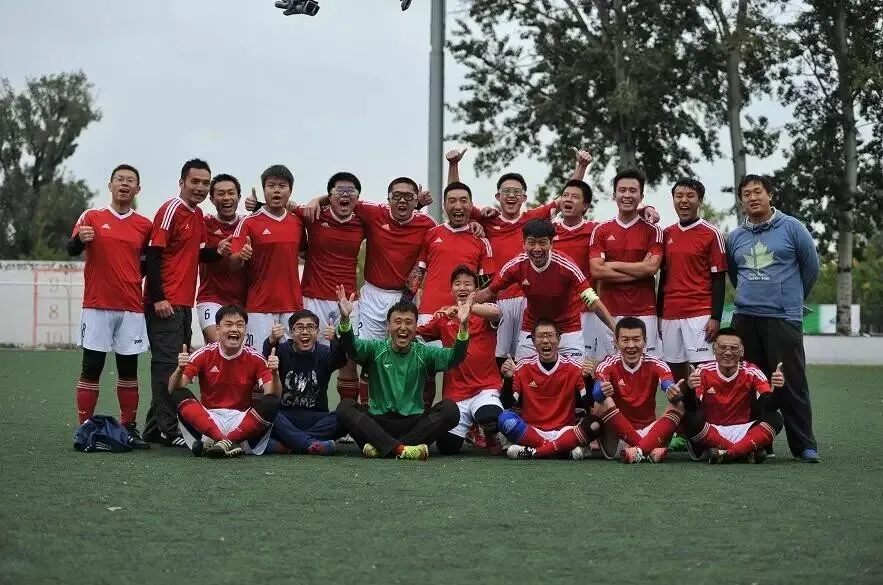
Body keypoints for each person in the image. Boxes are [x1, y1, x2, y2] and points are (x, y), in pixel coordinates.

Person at [446, 147, 587, 365]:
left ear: (524, 197)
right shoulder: (488, 219)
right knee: (499, 357)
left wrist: (581, 166)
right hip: (498, 300)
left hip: (527, 300)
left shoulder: (533, 219)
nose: (511, 196)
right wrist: (453, 165)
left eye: (516, 192)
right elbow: (457, 198)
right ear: (498, 196)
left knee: (528, 357)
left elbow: (566, 198)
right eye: (506, 191)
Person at [303, 177, 439, 403]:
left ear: (416, 201)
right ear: (388, 199)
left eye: (408, 197)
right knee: (364, 355)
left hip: (405, 298)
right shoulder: (373, 211)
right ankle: (362, 411)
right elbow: (345, 197)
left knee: (410, 357)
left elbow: (435, 250)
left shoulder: (428, 224)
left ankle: (410, 411)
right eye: (397, 196)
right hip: (373, 296)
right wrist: (318, 199)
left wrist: (478, 225)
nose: (402, 201)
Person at [727, 174, 821, 463]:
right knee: (749, 383)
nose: (752, 198)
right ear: (741, 201)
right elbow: (735, 274)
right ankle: (759, 442)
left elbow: (811, 269)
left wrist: (789, 298)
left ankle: (804, 446)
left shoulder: (792, 228)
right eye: (746, 194)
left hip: (783, 318)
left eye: (758, 192)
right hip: (745, 318)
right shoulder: (735, 237)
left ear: (770, 195)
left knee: (791, 381)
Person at [67, 164, 152, 447]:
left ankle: (128, 428)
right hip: (97, 305)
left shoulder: (145, 225)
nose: (124, 184)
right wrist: (79, 240)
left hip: (131, 308)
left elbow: (148, 264)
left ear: (138, 189)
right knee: (92, 367)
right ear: (110, 185)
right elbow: (71, 248)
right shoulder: (92, 216)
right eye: (120, 179)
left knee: (128, 370)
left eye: (130, 181)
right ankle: (84, 428)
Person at [144, 158, 226, 447]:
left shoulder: (197, 214)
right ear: (182, 182)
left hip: (182, 303)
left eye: (205, 183)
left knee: (174, 363)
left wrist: (220, 250)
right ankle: (169, 430)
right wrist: (159, 297)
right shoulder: (171, 209)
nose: (200, 187)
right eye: (195, 181)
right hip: (166, 303)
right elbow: (153, 254)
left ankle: (153, 428)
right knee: (167, 366)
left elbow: (198, 253)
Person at [333, 285, 469, 460]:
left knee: (450, 410)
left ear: (416, 327)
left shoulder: (424, 353)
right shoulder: (375, 349)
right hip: (378, 422)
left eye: (408, 322)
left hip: (413, 423)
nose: (403, 327)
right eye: (398, 322)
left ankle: (381, 446)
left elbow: (454, 357)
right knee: (345, 407)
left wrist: (463, 326)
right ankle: (402, 449)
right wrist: (345, 320)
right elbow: (351, 348)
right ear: (388, 326)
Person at [406, 180, 495, 409]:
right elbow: (419, 271)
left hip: (464, 319)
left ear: (471, 205)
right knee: (424, 370)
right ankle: (422, 417)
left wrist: (470, 309)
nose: (458, 206)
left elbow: (487, 285)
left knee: (463, 369)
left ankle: (472, 417)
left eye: (463, 201)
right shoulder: (431, 234)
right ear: (444, 204)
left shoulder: (481, 240)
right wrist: (405, 304)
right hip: (430, 314)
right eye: (452, 201)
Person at [473, 218, 616, 360]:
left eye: (542, 243)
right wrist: (466, 304)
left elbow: (592, 300)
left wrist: (616, 330)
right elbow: (488, 292)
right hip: (532, 328)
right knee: (522, 372)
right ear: (523, 244)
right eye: (531, 243)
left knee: (574, 373)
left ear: (551, 243)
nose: (537, 249)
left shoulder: (566, 266)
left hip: (567, 328)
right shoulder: (516, 266)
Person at [169, 305, 281, 458]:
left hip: (243, 421)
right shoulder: (204, 354)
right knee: (178, 392)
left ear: (245, 330)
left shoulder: (256, 357)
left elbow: (272, 393)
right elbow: (173, 387)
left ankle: (221, 442)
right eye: (228, 324)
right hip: (209, 420)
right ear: (217, 329)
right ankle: (226, 441)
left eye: (240, 325)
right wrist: (179, 370)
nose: (234, 329)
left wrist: (275, 374)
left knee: (272, 401)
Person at [416, 266, 503, 455]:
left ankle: (490, 434)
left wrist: (467, 308)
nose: (462, 287)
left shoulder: (485, 314)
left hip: (485, 388)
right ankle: (468, 428)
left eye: (467, 284)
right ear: (451, 290)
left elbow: (497, 313)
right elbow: (416, 335)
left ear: (476, 290)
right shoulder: (443, 318)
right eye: (457, 284)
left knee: (490, 416)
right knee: (447, 446)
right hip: (456, 393)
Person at [657, 178, 727, 388]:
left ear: (700, 200)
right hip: (670, 315)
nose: (684, 201)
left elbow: (719, 279)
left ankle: (705, 409)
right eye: (679, 196)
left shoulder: (711, 234)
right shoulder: (666, 234)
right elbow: (663, 277)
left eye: (690, 196)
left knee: (703, 373)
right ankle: (683, 409)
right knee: (675, 373)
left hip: (699, 315)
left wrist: (715, 317)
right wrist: (660, 314)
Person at [498, 320, 601, 460]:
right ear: (533, 341)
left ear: (558, 339)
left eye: (550, 335)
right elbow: (508, 403)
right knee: (504, 419)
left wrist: (588, 378)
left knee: (595, 424)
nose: (546, 341)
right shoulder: (522, 367)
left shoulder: (573, 367)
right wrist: (508, 379)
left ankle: (535, 452)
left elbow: (590, 402)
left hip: (564, 432)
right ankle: (562, 451)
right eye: (540, 336)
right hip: (531, 431)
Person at [681, 328, 785, 464]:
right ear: (714, 349)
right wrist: (689, 389)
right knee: (689, 418)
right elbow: (692, 407)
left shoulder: (752, 371)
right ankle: (744, 452)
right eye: (722, 347)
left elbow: (768, 405)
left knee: (776, 418)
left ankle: (729, 453)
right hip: (710, 431)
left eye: (734, 348)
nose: (728, 353)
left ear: (742, 351)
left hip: (744, 431)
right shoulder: (703, 371)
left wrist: (778, 390)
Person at [589, 168, 664, 356]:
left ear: (641, 196)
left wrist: (612, 265)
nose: (627, 195)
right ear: (614, 194)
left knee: (647, 367)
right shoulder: (601, 230)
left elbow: (651, 268)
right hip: (609, 312)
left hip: (645, 312)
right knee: (607, 368)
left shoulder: (653, 230)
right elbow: (597, 271)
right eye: (622, 190)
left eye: (633, 190)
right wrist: (640, 271)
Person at [591, 317, 686, 463]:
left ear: (645, 342)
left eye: (636, 339)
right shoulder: (608, 364)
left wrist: (672, 391)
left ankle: (638, 451)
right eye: (625, 340)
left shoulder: (656, 363)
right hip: (620, 437)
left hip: (651, 433)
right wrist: (601, 391)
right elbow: (596, 394)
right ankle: (646, 450)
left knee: (679, 404)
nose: (631, 345)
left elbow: (667, 383)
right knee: (601, 402)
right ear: (616, 342)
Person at [230, 165, 305, 349]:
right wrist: (241, 256)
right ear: (264, 190)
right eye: (271, 185)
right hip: (259, 307)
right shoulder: (248, 222)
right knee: (259, 358)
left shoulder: (297, 222)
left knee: (291, 360)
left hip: (292, 306)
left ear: (290, 190)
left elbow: (305, 254)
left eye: (282, 186)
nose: (276, 190)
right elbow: (232, 263)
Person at [262, 311, 347, 455]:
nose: (305, 332)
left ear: (318, 332)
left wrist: (335, 340)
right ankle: (310, 445)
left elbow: (339, 360)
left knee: (345, 415)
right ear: (291, 332)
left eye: (310, 327)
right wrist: (271, 340)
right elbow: (267, 355)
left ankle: (290, 444)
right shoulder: (282, 351)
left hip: (317, 418)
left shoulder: (324, 352)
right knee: (266, 410)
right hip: (285, 417)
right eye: (300, 327)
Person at [196, 174, 247, 343]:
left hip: (244, 301)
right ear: (212, 199)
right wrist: (216, 251)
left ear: (239, 197)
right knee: (219, 343)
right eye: (220, 193)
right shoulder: (204, 223)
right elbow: (194, 254)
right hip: (211, 298)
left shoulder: (248, 223)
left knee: (241, 351)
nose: (226, 198)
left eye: (231, 193)